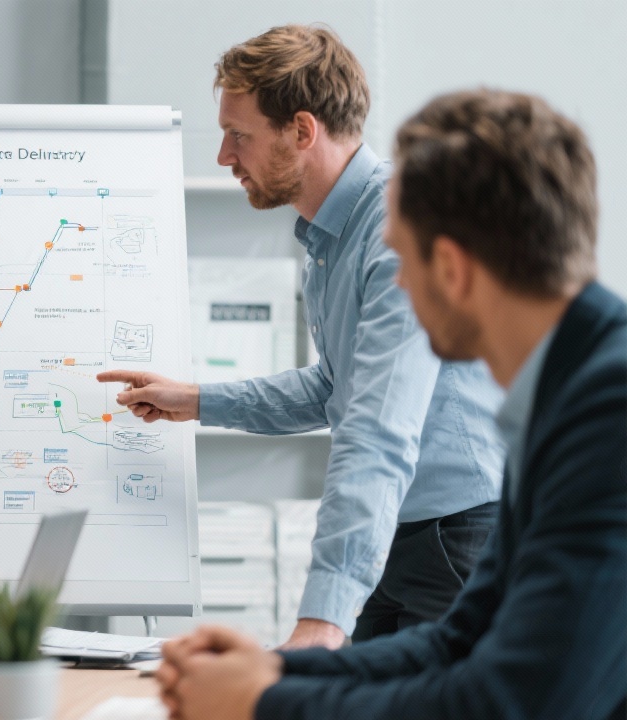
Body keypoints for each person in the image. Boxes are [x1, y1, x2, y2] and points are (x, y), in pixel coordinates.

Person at [156, 89, 626, 719]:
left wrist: (264, 701)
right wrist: (275, 668)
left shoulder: (607, 417)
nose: (396, 283)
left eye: (402, 257)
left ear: (453, 270)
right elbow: (459, 642)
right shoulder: (564, 396)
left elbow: (514, 699)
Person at [98, 25, 504, 648]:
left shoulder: (400, 233)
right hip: (399, 532)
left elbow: (378, 428)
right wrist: (198, 400)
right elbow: (334, 387)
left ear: (302, 131)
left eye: (239, 135)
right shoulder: (328, 236)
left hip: (456, 540)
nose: (224, 157)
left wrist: (322, 617)